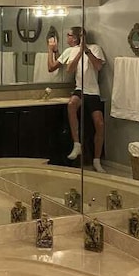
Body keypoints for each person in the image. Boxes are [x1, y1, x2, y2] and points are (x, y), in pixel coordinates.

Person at [46, 26, 106, 172]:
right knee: (72, 104)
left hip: (93, 92)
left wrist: (86, 50)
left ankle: (97, 160)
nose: (67, 37)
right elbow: (62, 69)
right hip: (80, 89)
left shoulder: (95, 48)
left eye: (69, 35)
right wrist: (50, 50)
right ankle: (77, 144)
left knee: (100, 123)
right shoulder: (69, 51)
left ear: (77, 37)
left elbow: (98, 66)